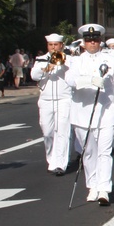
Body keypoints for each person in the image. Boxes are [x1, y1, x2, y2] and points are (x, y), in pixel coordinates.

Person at [65, 24, 114, 205]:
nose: (93, 43)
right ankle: (92, 185)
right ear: (84, 42)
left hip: (106, 111)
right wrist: (90, 80)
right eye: (89, 40)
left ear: (100, 41)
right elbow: (70, 79)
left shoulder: (112, 60)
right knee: (88, 152)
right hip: (82, 112)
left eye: (96, 40)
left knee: (104, 152)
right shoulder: (76, 61)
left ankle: (104, 189)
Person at [34, 34, 73, 175]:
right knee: (47, 132)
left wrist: (62, 65)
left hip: (64, 100)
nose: (53, 47)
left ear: (61, 45)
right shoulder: (41, 60)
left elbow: (73, 76)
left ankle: (61, 164)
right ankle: (51, 159)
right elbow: (34, 76)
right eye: (51, 45)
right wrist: (45, 68)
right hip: (46, 100)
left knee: (62, 131)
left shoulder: (69, 60)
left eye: (56, 45)